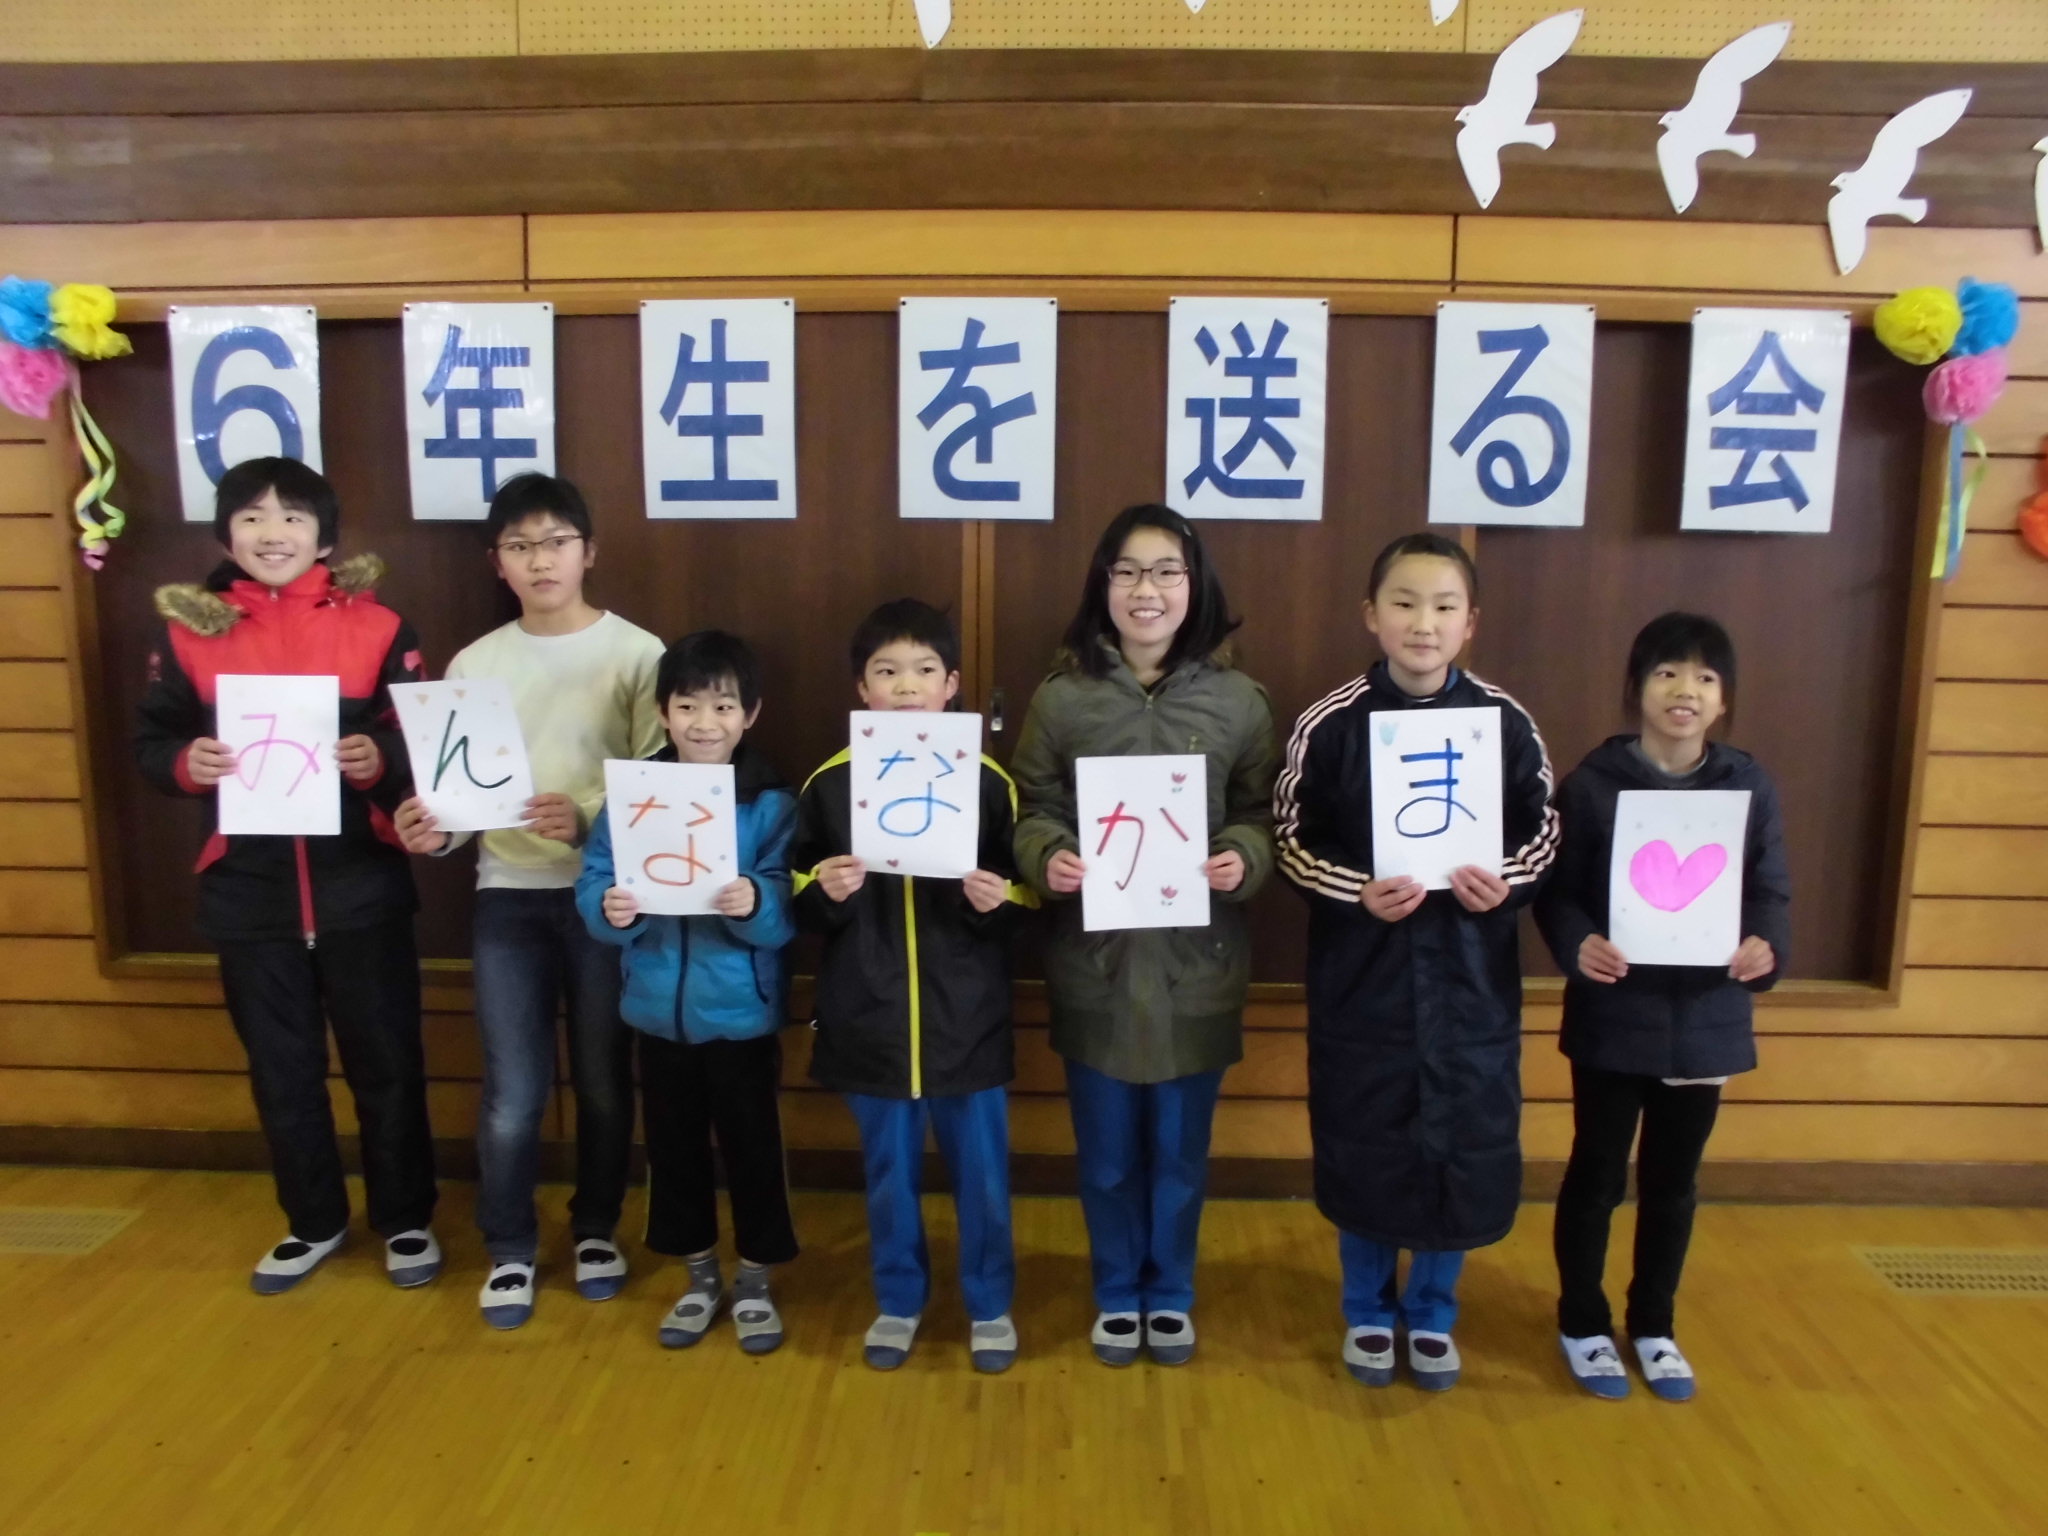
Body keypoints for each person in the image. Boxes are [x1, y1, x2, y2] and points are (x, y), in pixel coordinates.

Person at [134, 456, 438, 1294]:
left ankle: (406, 1219)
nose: (274, 533)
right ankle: (313, 1221)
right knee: (282, 1070)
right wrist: (187, 763)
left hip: (363, 884)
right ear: (226, 534)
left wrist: (380, 757)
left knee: (387, 1064)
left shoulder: (380, 626)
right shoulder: (188, 632)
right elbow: (151, 742)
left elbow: (420, 739)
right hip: (248, 892)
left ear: (325, 538)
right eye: (254, 517)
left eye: (294, 517)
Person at [1275, 531, 1557, 1392]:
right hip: (1365, 982)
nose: (1423, 623)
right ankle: (1366, 1309)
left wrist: (1502, 882)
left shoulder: (1505, 722)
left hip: (1471, 984)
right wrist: (1357, 890)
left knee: (1460, 1145)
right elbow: (1291, 840)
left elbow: (1544, 830)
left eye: (1443, 606)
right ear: (1372, 615)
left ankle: (1433, 1313)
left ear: (1471, 622)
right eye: (1404, 603)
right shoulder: (1329, 723)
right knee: (1366, 1141)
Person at [1011, 504, 1278, 1368]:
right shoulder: (1063, 698)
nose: (1145, 589)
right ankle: (1116, 1290)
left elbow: (1262, 814)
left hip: (1198, 967)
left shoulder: (1239, 702)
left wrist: (1243, 856)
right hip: (1096, 964)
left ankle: (1171, 1294)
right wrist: (1047, 854)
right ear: (1102, 585)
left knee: (1180, 1156)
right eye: (1126, 571)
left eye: (1166, 571)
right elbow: (1031, 806)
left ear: (1195, 586)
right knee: (1106, 1159)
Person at [394, 472, 662, 1329]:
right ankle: (509, 1246)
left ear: (590, 552)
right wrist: (433, 830)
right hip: (506, 898)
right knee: (512, 1090)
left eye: (555, 542)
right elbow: (459, 800)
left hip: (602, 899)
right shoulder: (476, 664)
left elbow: (662, 786)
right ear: (497, 562)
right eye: (520, 545)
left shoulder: (639, 654)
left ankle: (595, 1230)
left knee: (604, 1081)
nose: (540, 560)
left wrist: (586, 822)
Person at [1537, 612, 1790, 1403]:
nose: (1686, 690)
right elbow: (1557, 893)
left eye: (1705, 677)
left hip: (1706, 1021)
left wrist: (1765, 947)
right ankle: (1582, 1322)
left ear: (1725, 699)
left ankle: (1654, 1324)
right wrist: (1577, 942)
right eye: (1667, 673)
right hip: (1615, 1016)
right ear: (1637, 688)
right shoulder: (1592, 784)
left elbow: (1769, 890)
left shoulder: (1748, 786)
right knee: (1596, 1174)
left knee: (1674, 1184)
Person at [790, 599, 1032, 1374]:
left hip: (968, 1020)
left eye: (924, 670)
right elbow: (795, 892)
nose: (905, 687)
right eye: (886, 671)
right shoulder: (829, 783)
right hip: (872, 1018)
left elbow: (1028, 895)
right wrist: (825, 889)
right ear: (861, 688)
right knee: (889, 1175)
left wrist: (998, 899)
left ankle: (990, 1305)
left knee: (983, 1176)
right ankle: (898, 1300)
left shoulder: (989, 781)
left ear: (951, 684)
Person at [576, 630, 800, 1353]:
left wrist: (755, 901)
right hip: (656, 1013)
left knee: (753, 1151)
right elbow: (597, 879)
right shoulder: (634, 795)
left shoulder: (771, 800)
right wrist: (609, 908)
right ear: (663, 713)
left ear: (751, 714)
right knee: (672, 1152)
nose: (706, 723)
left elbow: (786, 904)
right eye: (688, 706)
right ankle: (699, 1276)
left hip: (742, 1016)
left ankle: (756, 1278)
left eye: (724, 706)